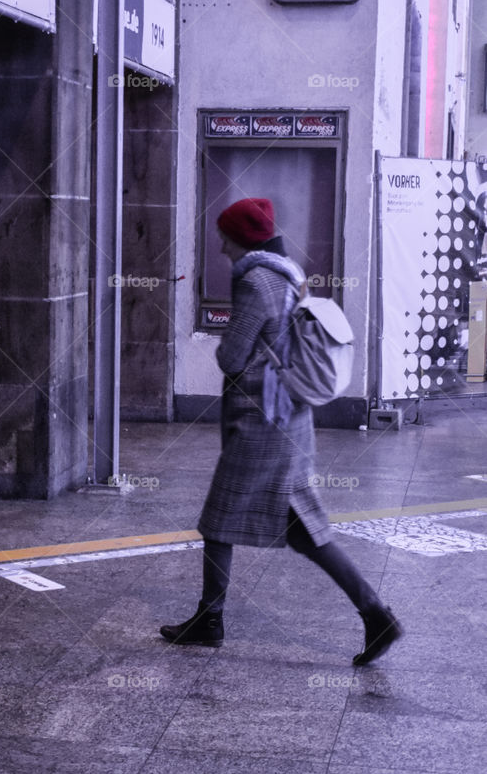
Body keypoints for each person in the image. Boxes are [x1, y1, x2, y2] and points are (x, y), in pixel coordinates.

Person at [160, 196, 402, 666]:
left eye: (225, 237)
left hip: (262, 424)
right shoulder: (289, 273)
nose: (221, 246)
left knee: (217, 521)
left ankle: (210, 619)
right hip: (287, 418)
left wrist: (233, 344)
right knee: (304, 531)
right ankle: (376, 615)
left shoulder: (257, 281)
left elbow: (231, 357)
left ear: (241, 239)